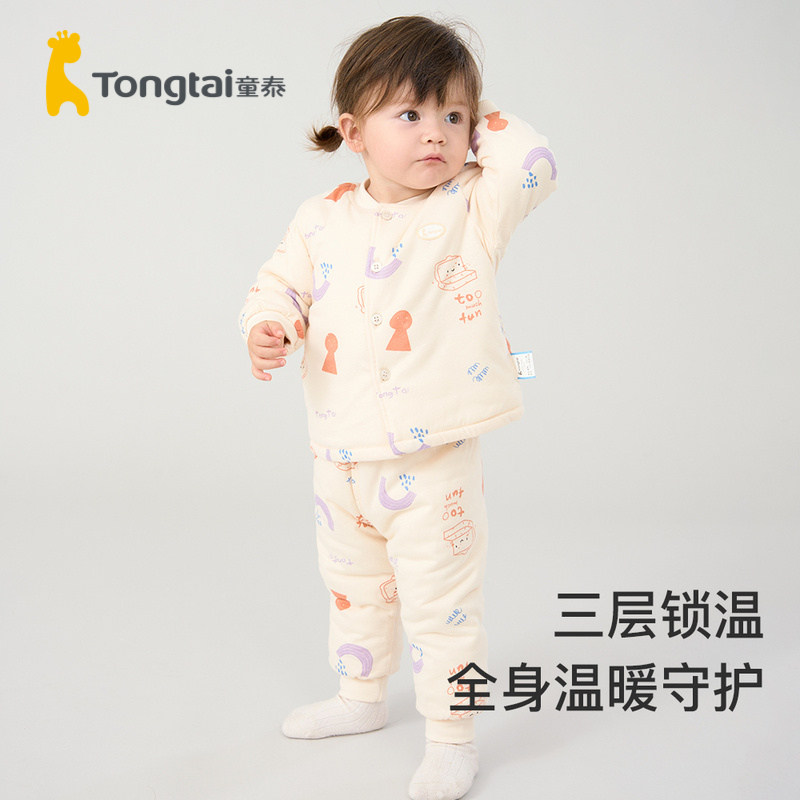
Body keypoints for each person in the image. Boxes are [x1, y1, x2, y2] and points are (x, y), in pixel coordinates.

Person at [239, 15, 557, 800]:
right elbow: (277, 285)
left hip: (434, 459)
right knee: (353, 589)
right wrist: (269, 326)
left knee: (444, 608)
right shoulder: (320, 219)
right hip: (340, 455)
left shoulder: (471, 207)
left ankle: (453, 737)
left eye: (453, 115)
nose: (436, 133)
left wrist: (481, 115)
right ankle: (361, 696)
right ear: (353, 131)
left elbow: (534, 162)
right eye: (409, 113)